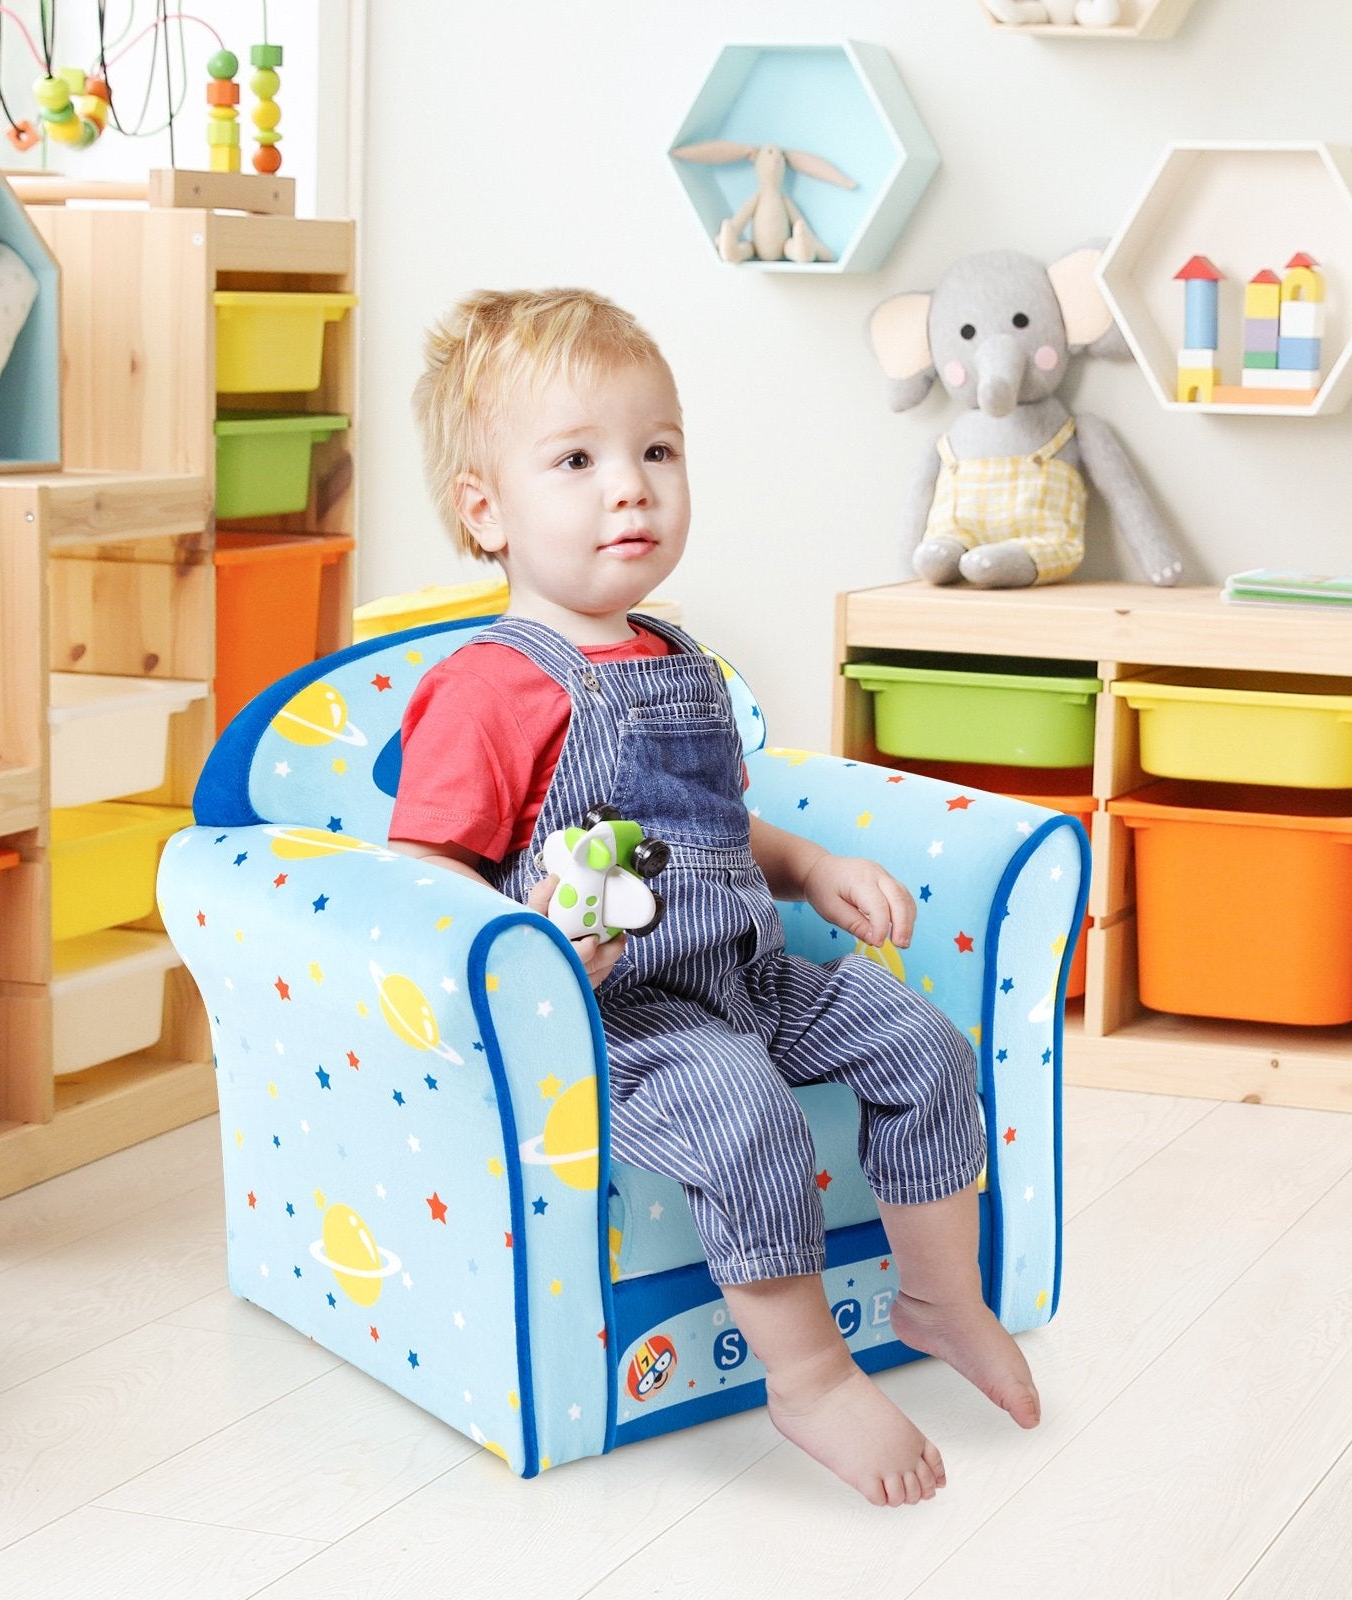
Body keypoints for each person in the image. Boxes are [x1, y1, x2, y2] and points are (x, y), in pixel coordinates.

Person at [388, 287, 1041, 1507]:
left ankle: (941, 1296)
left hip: (743, 973)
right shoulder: (490, 687)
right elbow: (427, 870)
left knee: (925, 1043)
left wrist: (809, 869)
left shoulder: (679, 656)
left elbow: (708, 824)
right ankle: (808, 1376)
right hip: (624, 1019)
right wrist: (528, 954)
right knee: (745, 1117)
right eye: (575, 460)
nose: (627, 486)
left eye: (655, 450)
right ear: (485, 512)